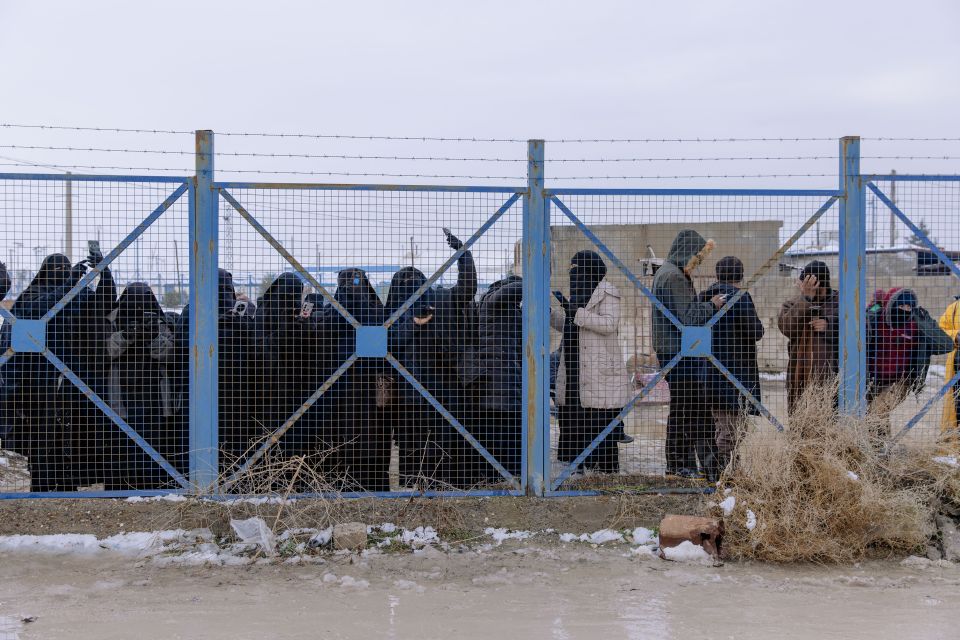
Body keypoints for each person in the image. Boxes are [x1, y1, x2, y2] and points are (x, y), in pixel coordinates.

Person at [3, 253, 112, 491]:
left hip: (73, 374)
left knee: (72, 431)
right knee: (43, 432)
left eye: (66, 267)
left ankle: (68, 484)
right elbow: (34, 311)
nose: (62, 270)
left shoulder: (77, 293)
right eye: (57, 268)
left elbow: (104, 303)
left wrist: (105, 272)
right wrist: (68, 284)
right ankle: (42, 484)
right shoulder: (34, 294)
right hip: (39, 377)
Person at [385, 229, 478, 488]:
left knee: (439, 437)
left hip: (438, 387)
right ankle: (419, 485)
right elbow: (386, 344)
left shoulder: (440, 299)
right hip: (412, 392)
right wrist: (412, 323)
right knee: (414, 440)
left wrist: (463, 254)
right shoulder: (394, 313)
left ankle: (438, 485)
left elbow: (467, 288)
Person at [651, 230, 724, 479]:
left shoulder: (669, 272)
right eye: (698, 256)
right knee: (691, 409)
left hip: (674, 350)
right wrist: (712, 305)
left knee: (685, 408)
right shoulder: (674, 277)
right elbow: (690, 317)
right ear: (688, 252)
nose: (699, 262)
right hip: (679, 352)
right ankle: (686, 465)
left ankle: (683, 464)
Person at [552, 250, 632, 474]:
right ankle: (576, 468)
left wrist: (574, 312)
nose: (574, 274)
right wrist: (552, 314)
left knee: (597, 420)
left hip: (597, 369)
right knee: (573, 420)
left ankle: (600, 473)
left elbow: (609, 324)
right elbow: (571, 326)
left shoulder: (607, 292)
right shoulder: (577, 293)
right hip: (574, 366)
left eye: (578, 270)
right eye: (572, 270)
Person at [105, 283, 176, 490]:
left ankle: (152, 486)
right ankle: (121, 488)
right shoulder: (112, 320)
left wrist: (153, 334)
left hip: (153, 393)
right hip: (122, 394)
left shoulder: (159, 321)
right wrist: (126, 335)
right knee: (123, 442)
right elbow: (106, 352)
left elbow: (170, 354)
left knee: (153, 440)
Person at [697, 256, 764, 474]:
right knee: (731, 431)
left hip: (709, 373)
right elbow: (756, 332)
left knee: (720, 426)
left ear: (717, 274)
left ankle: (723, 470)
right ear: (740, 275)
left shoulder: (704, 297)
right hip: (736, 374)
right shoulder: (740, 298)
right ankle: (724, 474)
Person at [866, 288, 953, 437]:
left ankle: (878, 452)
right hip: (870, 380)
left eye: (909, 307)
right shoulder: (874, 319)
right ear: (891, 304)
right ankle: (879, 453)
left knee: (877, 412)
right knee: (872, 416)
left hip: (900, 382)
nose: (906, 310)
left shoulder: (915, 325)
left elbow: (946, 345)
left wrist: (925, 323)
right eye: (902, 306)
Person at [467, 274, 523, 480]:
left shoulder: (506, 308)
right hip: (499, 380)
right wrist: (537, 278)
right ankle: (503, 475)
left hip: (503, 379)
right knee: (503, 429)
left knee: (501, 430)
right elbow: (513, 290)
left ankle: (500, 475)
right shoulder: (493, 300)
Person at [777, 260, 840, 414]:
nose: (801, 287)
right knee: (800, 429)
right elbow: (786, 328)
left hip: (834, 381)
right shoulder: (793, 304)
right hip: (800, 380)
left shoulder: (841, 303)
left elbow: (863, 330)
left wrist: (829, 325)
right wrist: (805, 299)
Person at [940, 295, 960, 443]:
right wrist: (956, 336)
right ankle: (953, 440)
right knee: (956, 401)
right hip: (956, 362)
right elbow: (942, 329)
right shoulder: (954, 308)